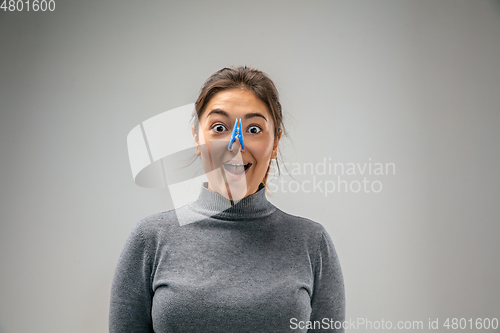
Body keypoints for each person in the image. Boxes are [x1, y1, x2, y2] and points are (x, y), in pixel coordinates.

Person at [109, 66, 345, 332]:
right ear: (197, 139)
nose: (236, 144)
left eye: (254, 129)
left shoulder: (312, 243)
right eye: (219, 127)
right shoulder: (149, 239)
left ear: (275, 142)